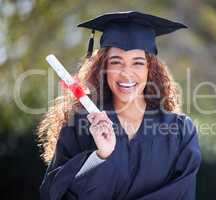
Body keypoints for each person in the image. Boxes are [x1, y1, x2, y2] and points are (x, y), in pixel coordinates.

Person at [37, 11, 201, 200]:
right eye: (116, 62)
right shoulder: (80, 125)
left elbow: (182, 194)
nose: (126, 73)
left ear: (151, 69)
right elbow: (53, 192)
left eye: (138, 63)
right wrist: (99, 157)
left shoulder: (180, 132)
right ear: (103, 67)